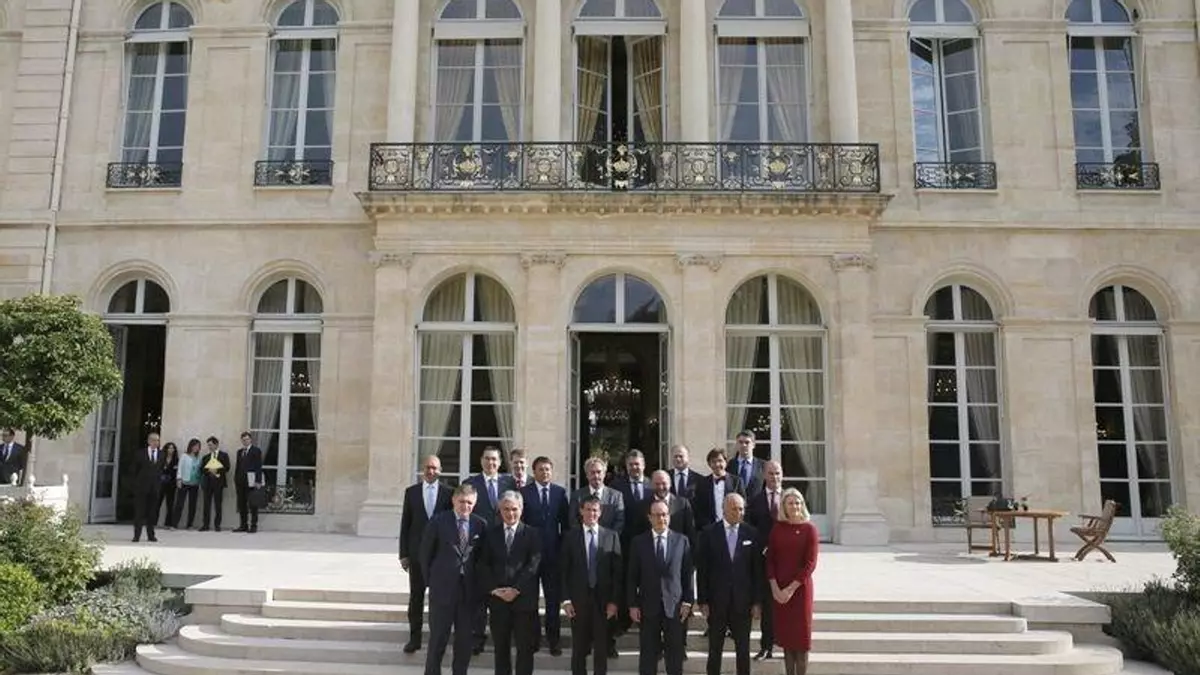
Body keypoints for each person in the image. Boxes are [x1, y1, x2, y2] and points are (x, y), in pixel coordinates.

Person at [420, 484, 488, 675]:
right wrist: (432, 582)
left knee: (464, 641)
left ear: (475, 503)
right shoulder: (438, 521)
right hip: (442, 591)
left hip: (468, 593)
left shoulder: (480, 524)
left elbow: (483, 559)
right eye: (462, 502)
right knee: (438, 639)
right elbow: (425, 555)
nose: (465, 506)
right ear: (453, 500)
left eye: (470, 503)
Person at [626, 500, 693, 675]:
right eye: (656, 515)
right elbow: (632, 577)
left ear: (669, 517)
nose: (661, 518)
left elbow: (687, 575)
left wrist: (687, 602)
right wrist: (632, 604)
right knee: (648, 655)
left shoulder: (682, 541)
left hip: (675, 607)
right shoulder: (638, 542)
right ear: (649, 518)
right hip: (648, 606)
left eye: (664, 514)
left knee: (675, 655)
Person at [696, 494, 760, 675]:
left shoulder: (751, 533)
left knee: (743, 649)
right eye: (734, 509)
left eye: (741, 509)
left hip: (743, 603)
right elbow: (703, 570)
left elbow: (757, 571)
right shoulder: (709, 533)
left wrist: (757, 602)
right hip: (717, 602)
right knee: (715, 649)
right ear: (724, 509)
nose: (739, 512)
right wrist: (703, 601)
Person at [480, 491, 541, 675]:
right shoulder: (490, 534)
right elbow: (483, 564)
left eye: (514, 509)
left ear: (521, 510)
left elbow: (533, 565)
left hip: (524, 601)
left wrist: (516, 589)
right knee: (501, 650)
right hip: (498, 602)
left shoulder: (532, 534)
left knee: (525, 650)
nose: (510, 513)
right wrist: (494, 589)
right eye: (506, 509)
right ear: (500, 510)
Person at [561, 495, 622, 675]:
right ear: (581, 511)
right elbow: (563, 571)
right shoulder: (570, 536)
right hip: (578, 600)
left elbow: (617, 573)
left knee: (601, 648)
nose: (591, 513)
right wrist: (566, 600)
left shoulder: (611, 536)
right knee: (579, 648)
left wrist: (614, 602)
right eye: (588, 509)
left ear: (600, 512)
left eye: (595, 510)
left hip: (603, 601)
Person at [464, 446, 516, 653]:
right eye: (487, 459)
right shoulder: (470, 483)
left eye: (494, 459)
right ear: (481, 460)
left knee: (501, 590)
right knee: (479, 594)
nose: (490, 463)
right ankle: (477, 637)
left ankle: (503, 636)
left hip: (503, 545)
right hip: (479, 546)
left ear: (500, 462)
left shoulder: (509, 482)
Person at [400, 455, 453, 654]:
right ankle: (414, 639)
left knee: (439, 600)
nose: (431, 471)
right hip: (417, 556)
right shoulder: (411, 492)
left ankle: (438, 639)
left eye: (434, 468)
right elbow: (405, 524)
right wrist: (403, 554)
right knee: (416, 598)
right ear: (423, 469)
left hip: (441, 556)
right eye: (428, 467)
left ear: (440, 470)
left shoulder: (449, 493)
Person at [519, 456, 570, 656]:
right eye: (541, 469)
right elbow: (520, 524)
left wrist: (563, 550)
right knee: (530, 600)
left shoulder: (559, 493)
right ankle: (533, 639)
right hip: (530, 555)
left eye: (548, 469)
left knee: (552, 600)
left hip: (552, 555)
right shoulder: (524, 493)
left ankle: (553, 640)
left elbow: (565, 525)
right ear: (534, 472)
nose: (545, 472)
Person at [766, 488, 820, 675]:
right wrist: (775, 588)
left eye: (798, 502)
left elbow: (810, 564)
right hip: (780, 591)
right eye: (790, 503)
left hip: (800, 591)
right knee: (787, 641)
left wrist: (790, 589)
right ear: (784, 506)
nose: (795, 506)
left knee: (801, 642)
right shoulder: (777, 529)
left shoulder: (810, 529)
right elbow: (770, 560)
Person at [746, 459, 784, 660]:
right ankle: (766, 646)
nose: (774, 477)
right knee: (767, 605)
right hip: (763, 561)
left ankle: (785, 645)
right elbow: (750, 530)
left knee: (785, 606)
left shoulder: (791, 499)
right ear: (764, 475)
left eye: (777, 473)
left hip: (786, 561)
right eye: (771, 473)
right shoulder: (755, 501)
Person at [691, 448, 744, 527]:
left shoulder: (737, 481)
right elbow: (698, 509)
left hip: (733, 525)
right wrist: (708, 526)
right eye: (713, 462)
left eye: (720, 461)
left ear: (726, 462)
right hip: (710, 528)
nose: (717, 464)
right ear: (709, 464)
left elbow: (743, 505)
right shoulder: (702, 483)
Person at [131, 433, 165, 543]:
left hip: (155, 488)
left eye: (158, 440)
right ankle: (137, 535)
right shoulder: (140, 453)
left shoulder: (161, 454)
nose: (156, 443)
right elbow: (134, 470)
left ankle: (151, 535)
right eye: (154, 440)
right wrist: (137, 484)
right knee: (139, 512)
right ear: (149, 441)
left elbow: (161, 470)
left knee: (152, 513)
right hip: (142, 488)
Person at [233, 432, 264, 533]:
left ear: (250, 440)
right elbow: (238, 466)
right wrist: (236, 479)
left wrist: (258, 481)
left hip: (251, 481)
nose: (245, 441)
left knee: (253, 504)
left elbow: (258, 466)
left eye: (247, 439)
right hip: (240, 482)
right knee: (242, 504)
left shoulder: (256, 451)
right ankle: (243, 525)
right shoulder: (240, 452)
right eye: (243, 440)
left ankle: (253, 526)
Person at [199, 436, 230, 532]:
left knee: (218, 505)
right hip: (207, 484)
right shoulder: (206, 457)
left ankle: (217, 525)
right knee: (206, 505)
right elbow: (202, 469)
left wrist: (217, 470)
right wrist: (209, 470)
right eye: (208, 445)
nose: (209, 447)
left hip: (219, 484)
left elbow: (227, 467)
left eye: (211, 445)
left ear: (216, 444)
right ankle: (205, 525)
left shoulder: (224, 455)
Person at [171, 438, 202, 529]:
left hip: (195, 483)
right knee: (179, 504)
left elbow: (199, 470)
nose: (196, 448)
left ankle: (190, 524)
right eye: (194, 446)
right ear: (190, 446)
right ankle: (174, 524)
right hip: (184, 482)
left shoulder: (199, 458)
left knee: (192, 505)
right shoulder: (184, 456)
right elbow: (180, 468)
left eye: (198, 446)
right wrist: (179, 479)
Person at [729, 431, 765, 501]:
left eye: (747, 442)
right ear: (737, 444)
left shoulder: (763, 465)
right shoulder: (729, 465)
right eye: (740, 442)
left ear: (753, 445)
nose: (743, 445)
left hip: (756, 506)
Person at [157, 442, 179, 529]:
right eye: (169, 448)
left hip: (171, 484)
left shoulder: (176, 460)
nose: (171, 450)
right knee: (157, 503)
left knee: (170, 504)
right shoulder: (160, 458)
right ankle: (153, 522)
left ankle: (168, 523)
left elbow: (176, 472)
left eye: (172, 448)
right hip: (161, 483)